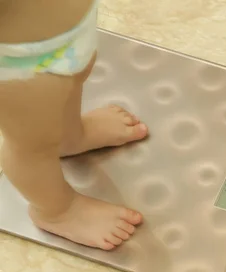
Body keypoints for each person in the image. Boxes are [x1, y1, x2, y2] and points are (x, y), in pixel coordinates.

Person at [0, 0, 147, 250]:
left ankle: (71, 136)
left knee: (73, 79)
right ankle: (57, 211)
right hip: (16, 63)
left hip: (69, 28)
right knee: (32, 142)